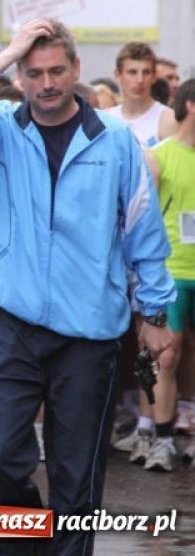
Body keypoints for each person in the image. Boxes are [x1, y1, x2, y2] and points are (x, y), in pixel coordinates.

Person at [0, 17, 175, 556]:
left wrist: (154, 313)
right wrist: (9, 48)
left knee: (76, 481)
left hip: (90, 333)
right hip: (15, 325)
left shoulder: (115, 142)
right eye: (34, 71)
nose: (46, 82)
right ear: (20, 73)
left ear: (76, 69)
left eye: (56, 70)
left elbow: (142, 230)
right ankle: (32, 545)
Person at [145, 78, 195, 471]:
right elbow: (142, 222)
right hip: (172, 272)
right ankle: (162, 441)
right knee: (167, 355)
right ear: (191, 105)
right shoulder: (158, 156)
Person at [108, 42, 177, 147]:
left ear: (154, 76)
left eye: (146, 72)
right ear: (118, 75)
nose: (140, 80)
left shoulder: (168, 120)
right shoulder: (106, 119)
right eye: (132, 72)